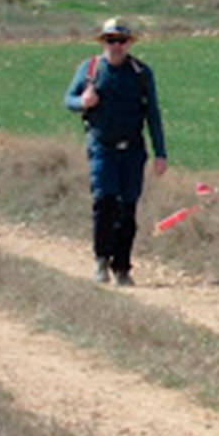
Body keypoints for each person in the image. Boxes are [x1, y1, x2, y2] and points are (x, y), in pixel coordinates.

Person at [63, 17, 168, 287]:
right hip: (101, 148)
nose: (116, 46)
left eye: (121, 41)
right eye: (111, 40)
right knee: (104, 202)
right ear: (103, 42)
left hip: (132, 150)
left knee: (128, 209)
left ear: (129, 43)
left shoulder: (141, 73)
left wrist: (160, 153)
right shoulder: (90, 69)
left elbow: (152, 114)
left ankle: (122, 267)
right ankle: (101, 260)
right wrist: (82, 102)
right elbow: (68, 100)